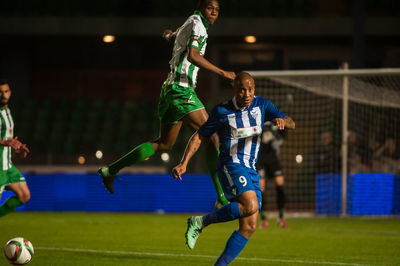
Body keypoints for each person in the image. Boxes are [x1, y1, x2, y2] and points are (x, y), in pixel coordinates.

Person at [98, 0, 235, 207]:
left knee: (164, 144)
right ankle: (221, 198)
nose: (214, 12)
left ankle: (110, 170)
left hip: (169, 89)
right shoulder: (198, 24)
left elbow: (175, 35)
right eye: (210, 8)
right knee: (213, 135)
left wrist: (171, 35)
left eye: (217, 10)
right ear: (201, 8)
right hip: (181, 89)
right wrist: (223, 72)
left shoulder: (192, 20)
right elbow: (193, 55)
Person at [172, 72, 295, 265]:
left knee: (249, 225)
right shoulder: (222, 111)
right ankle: (200, 222)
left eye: (250, 90)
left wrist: (283, 121)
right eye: (242, 90)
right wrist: (184, 162)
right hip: (231, 165)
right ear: (234, 90)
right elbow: (199, 136)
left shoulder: (262, 105)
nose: (247, 94)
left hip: (250, 168)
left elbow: (290, 121)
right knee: (250, 206)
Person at [0, 79, 31, 218]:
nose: (3, 95)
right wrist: (4, 142)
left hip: (8, 166)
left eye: (5, 91)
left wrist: (18, 149)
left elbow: (9, 141)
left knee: (24, 195)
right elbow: (5, 141)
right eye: (0, 92)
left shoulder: (7, 112)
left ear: (10, 93)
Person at [256, 121, 288, 228]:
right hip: (260, 159)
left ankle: (281, 217)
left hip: (273, 159)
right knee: (261, 188)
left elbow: (283, 136)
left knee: (280, 185)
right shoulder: (258, 121)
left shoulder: (276, 123)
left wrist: (285, 126)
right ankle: (264, 219)